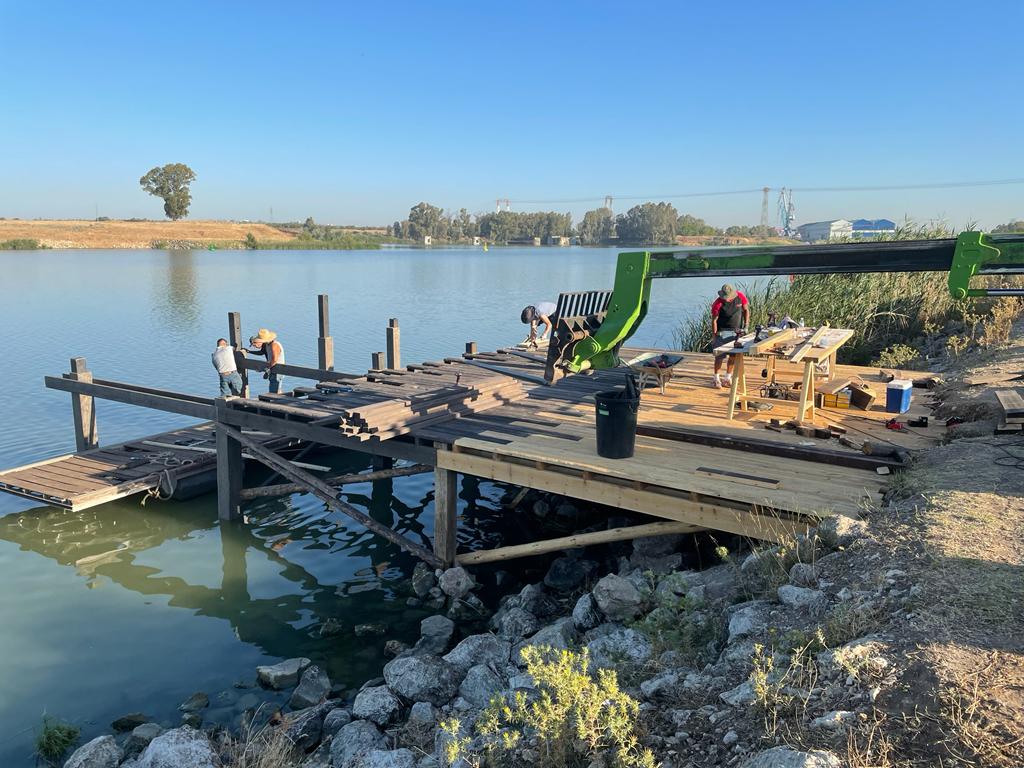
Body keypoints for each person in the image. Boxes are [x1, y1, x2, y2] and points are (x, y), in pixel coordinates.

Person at [710, 284, 750, 388]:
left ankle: (727, 377)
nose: (727, 299)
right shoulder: (717, 303)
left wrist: (746, 326)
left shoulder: (741, 297)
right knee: (719, 357)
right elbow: (714, 321)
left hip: (736, 332)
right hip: (722, 333)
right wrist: (714, 336)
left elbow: (746, 310)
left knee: (733, 356)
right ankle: (716, 378)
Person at [247, 328, 286, 394]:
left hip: (278, 370)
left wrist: (267, 368)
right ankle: (277, 401)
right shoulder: (268, 345)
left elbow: (275, 359)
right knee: (276, 389)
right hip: (274, 369)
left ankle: (275, 402)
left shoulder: (274, 345)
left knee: (273, 391)